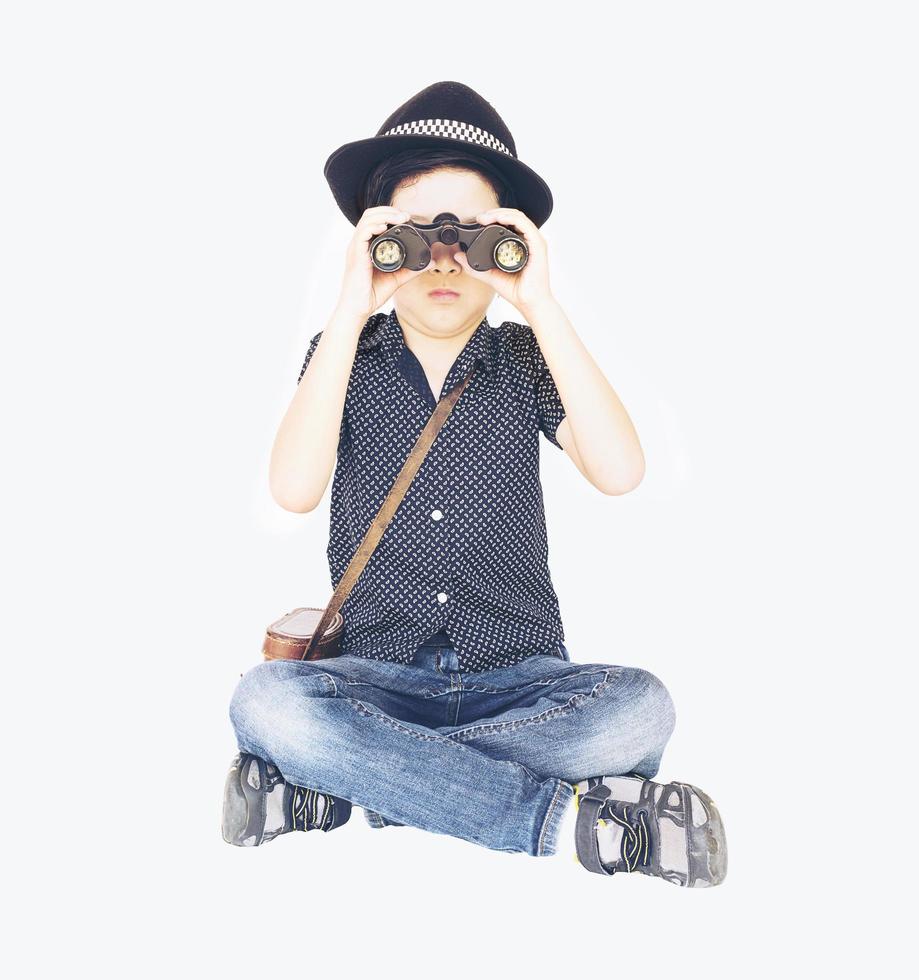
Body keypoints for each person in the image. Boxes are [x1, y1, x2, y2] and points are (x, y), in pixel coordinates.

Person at [222, 81, 727, 887]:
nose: (446, 257)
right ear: (376, 240)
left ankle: (354, 786)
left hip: (522, 676)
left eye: (474, 234)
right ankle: (565, 821)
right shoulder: (343, 350)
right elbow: (292, 489)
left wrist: (542, 304)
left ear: (508, 244)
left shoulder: (525, 359)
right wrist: (350, 309)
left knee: (639, 706)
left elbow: (619, 472)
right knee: (268, 702)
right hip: (376, 676)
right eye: (419, 234)